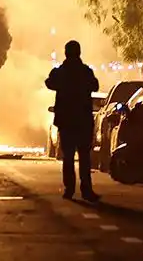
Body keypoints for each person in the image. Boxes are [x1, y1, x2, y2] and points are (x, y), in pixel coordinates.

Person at [46, 40, 100, 201]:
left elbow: (49, 83)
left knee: (68, 157)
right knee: (84, 157)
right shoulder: (85, 71)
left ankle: (69, 189)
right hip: (82, 121)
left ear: (66, 53)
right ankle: (86, 190)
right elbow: (94, 86)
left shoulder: (61, 72)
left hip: (67, 121)